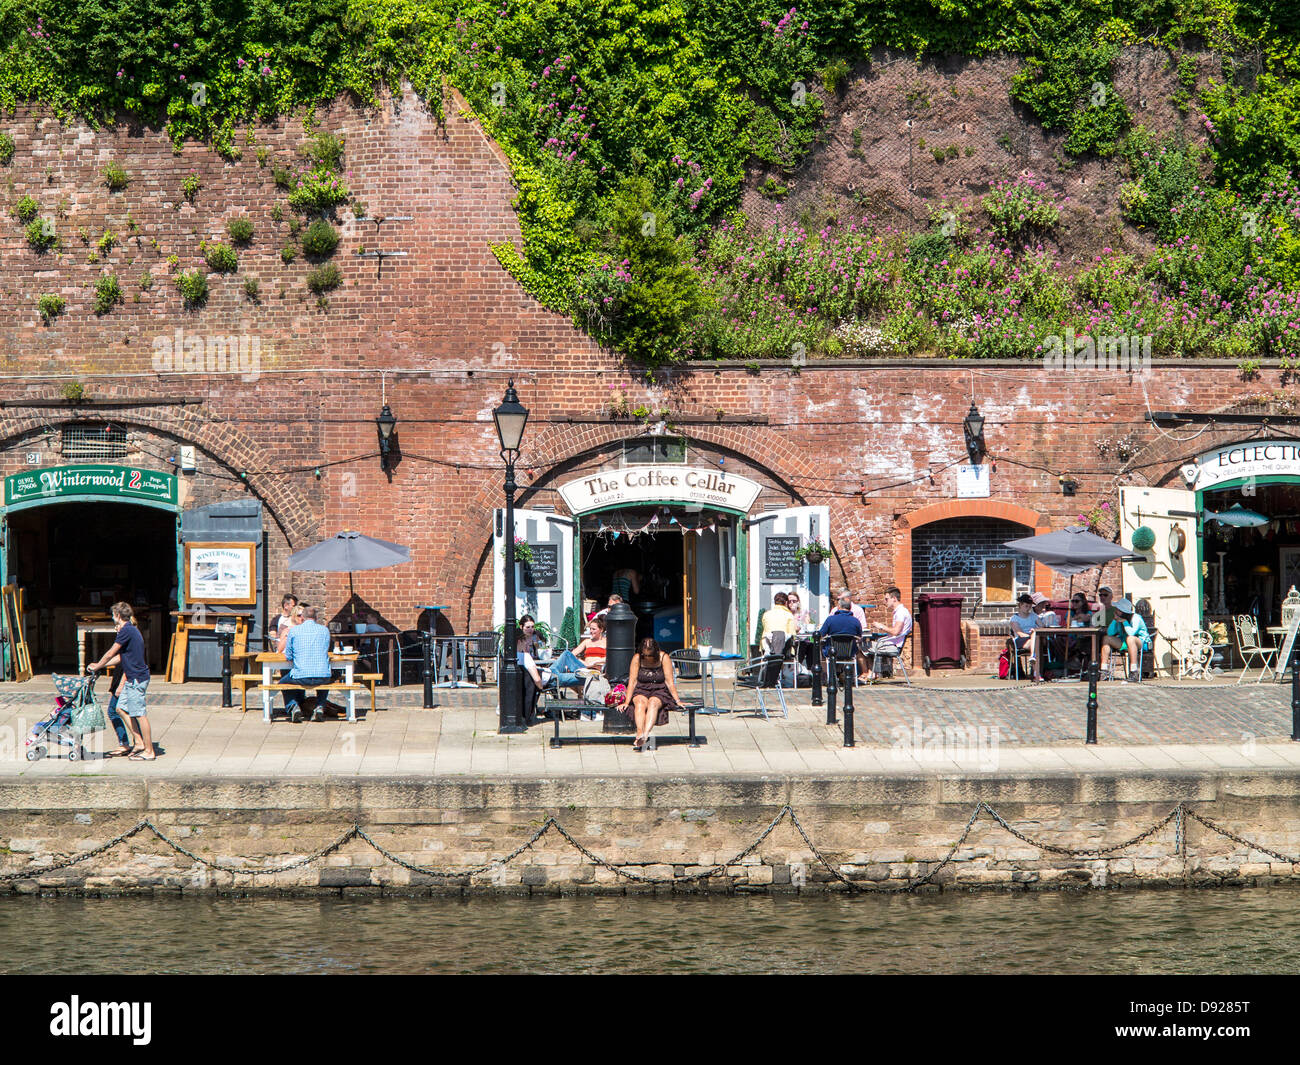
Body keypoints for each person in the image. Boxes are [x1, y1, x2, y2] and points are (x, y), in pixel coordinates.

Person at [87, 602, 155, 760]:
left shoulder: (125, 630)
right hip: (133, 678)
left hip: (137, 678)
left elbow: (111, 653)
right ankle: (138, 742)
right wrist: (99, 666)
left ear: (118, 615)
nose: (112, 618)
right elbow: (120, 657)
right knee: (120, 708)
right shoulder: (131, 630)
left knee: (140, 714)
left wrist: (98, 665)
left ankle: (149, 750)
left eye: (113, 615)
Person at [621, 637, 684, 752]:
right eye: (645, 655)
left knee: (653, 703)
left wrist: (677, 700)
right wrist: (626, 701)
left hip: (659, 689)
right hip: (641, 688)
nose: (648, 658)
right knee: (640, 703)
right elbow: (632, 681)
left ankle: (645, 735)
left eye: (650, 655)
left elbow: (669, 681)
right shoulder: (637, 658)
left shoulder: (663, 657)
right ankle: (639, 733)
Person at [281, 604, 335, 722]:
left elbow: (288, 656)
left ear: (302, 618)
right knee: (325, 675)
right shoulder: (324, 630)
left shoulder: (294, 631)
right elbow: (326, 649)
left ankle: (293, 706)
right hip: (322, 676)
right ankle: (320, 706)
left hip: (301, 676)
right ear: (316, 618)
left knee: (282, 682)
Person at [864, 586, 913, 682]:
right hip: (891, 643)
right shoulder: (900, 611)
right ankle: (872, 673)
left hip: (893, 646)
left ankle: (870, 673)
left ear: (894, 598)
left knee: (862, 646)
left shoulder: (901, 613)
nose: (885, 601)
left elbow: (895, 632)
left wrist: (881, 626)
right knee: (868, 644)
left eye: (886, 599)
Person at [1099, 597, 1151, 682]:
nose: (1116, 611)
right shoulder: (1118, 619)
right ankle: (1104, 670)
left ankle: (1134, 671)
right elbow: (1110, 633)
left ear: (1124, 612)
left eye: (1118, 610)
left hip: (1141, 642)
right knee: (1106, 639)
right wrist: (1114, 620)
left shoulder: (1136, 618)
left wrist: (1124, 622)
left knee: (1130, 639)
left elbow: (1131, 633)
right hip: (1125, 641)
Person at [548, 617, 606, 692]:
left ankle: (550, 676)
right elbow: (572, 655)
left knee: (561, 674)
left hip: (595, 669)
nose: (591, 631)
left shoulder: (606, 642)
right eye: (590, 629)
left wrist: (593, 663)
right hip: (584, 668)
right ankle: (552, 673)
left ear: (601, 630)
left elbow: (608, 658)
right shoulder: (587, 642)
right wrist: (583, 662)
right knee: (566, 653)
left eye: (594, 629)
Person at [818, 593, 863, 685]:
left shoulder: (831, 619)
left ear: (839, 607)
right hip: (849, 652)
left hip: (832, 651)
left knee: (820, 647)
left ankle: (827, 675)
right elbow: (859, 636)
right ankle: (842, 674)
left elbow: (821, 634)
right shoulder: (855, 621)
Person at [1008, 593, 1042, 681]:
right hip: (1021, 640)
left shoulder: (1033, 616)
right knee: (1036, 639)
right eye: (1026, 606)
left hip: (1033, 639)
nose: (1028, 608)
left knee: (1036, 635)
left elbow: (1043, 626)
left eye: (1030, 606)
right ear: (1020, 605)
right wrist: (1031, 635)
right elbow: (1019, 633)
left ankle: (1034, 665)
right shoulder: (1014, 618)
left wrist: (1035, 631)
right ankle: (1036, 672)